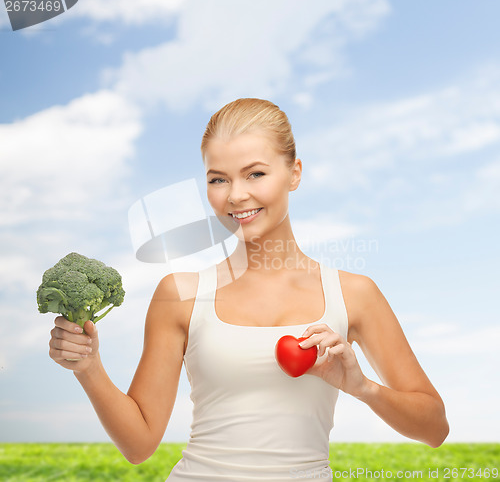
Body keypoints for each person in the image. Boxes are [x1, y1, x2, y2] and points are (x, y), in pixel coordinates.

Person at [49, 98, 449, 481]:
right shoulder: (181, 294)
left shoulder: (353, 294)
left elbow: (435, 428)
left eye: (255, 173)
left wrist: (362, 388)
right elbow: (139, 445)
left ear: (294, 173)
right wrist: (89, 368)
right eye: (218, 179)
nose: (236, 195)